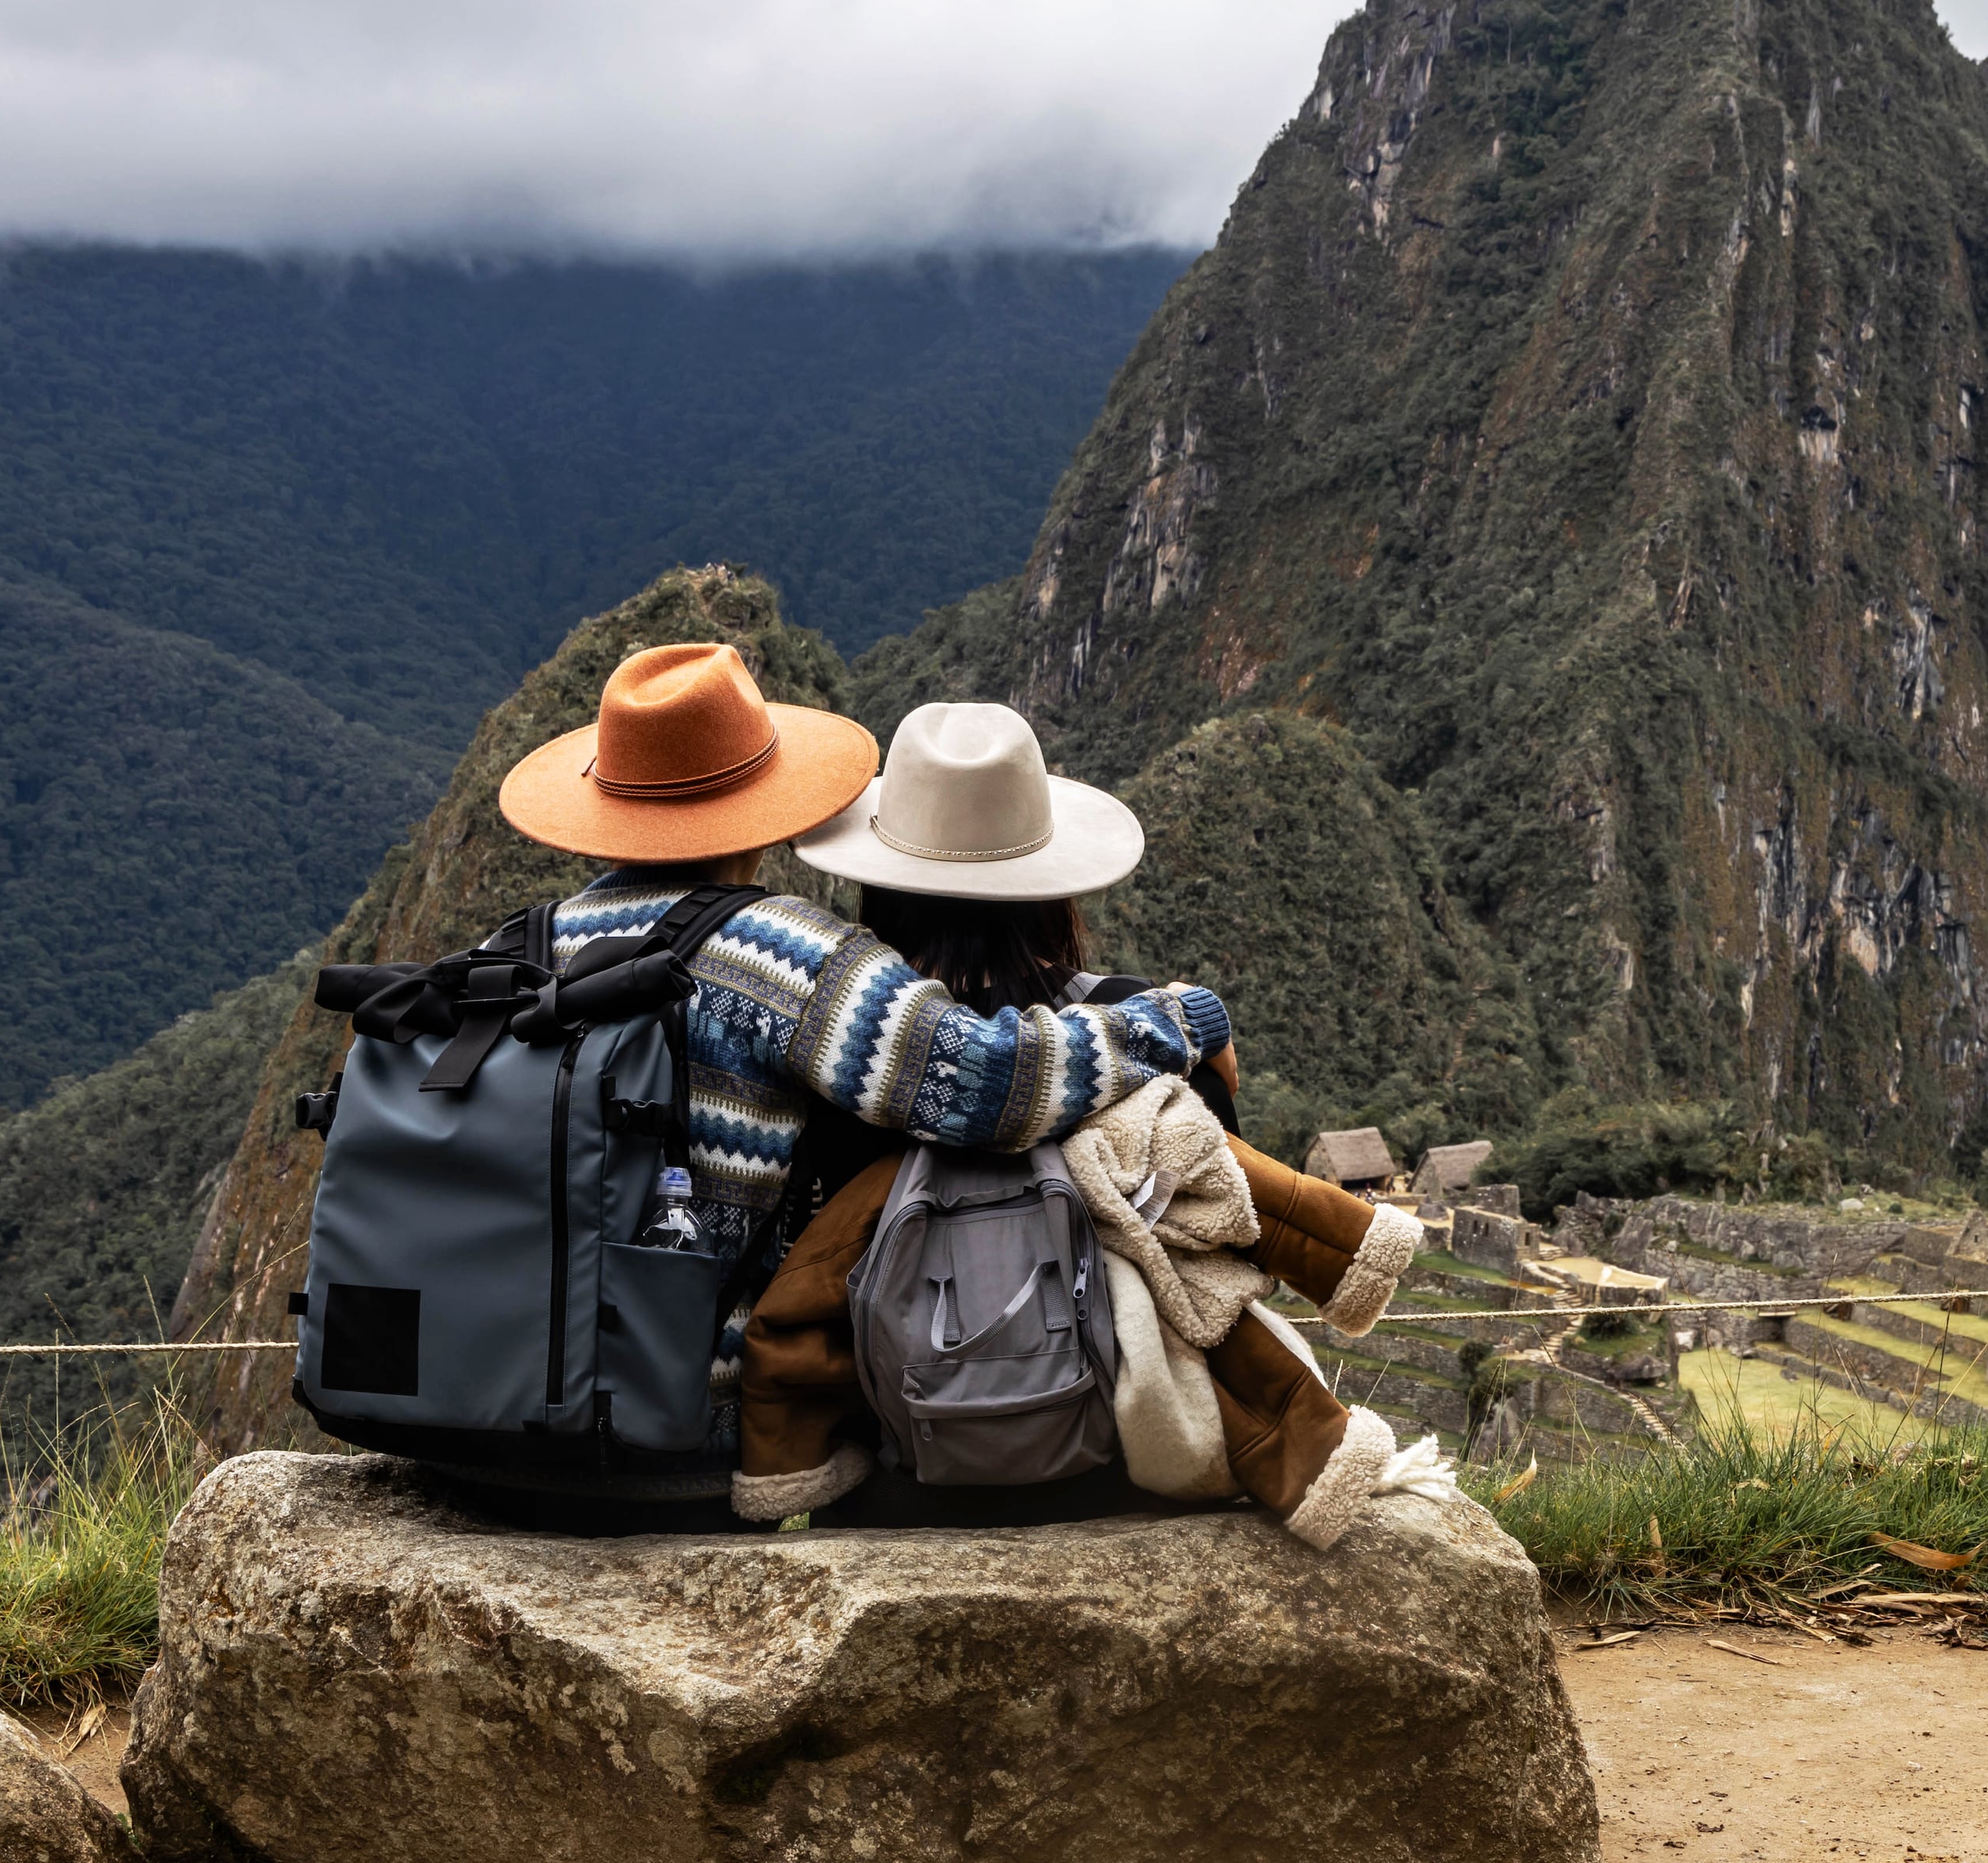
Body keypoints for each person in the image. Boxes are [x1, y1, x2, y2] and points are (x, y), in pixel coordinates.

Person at [492, 643, 1240, 1483]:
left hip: (498, 1405)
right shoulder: (783, 955)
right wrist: (1179, 1019)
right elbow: (988, 1082)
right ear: (758, 799)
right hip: (674, 1430)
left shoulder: (519, 949)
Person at [735, 701, 1423, 1539]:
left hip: (905, 1478)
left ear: (878, 890)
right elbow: (1228, 1237)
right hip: (1125, 1473)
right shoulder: (1142, 1024)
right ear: (1052, 888)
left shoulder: (854, 1066)